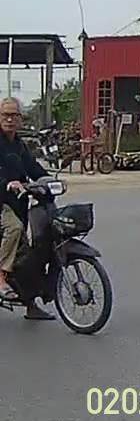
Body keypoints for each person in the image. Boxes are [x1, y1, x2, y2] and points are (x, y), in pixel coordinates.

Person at [0, 97, 55, 319]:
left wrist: (48, 180)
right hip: (1, 204)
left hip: (16, 204)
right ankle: (1, 278)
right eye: (6, 115)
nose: (10, 119)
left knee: (28, 257)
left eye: (14, 115)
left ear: (21, 119)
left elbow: (33, 168)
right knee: (14, 229)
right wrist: (7, 183)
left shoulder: (19, 144)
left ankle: (31, 305)